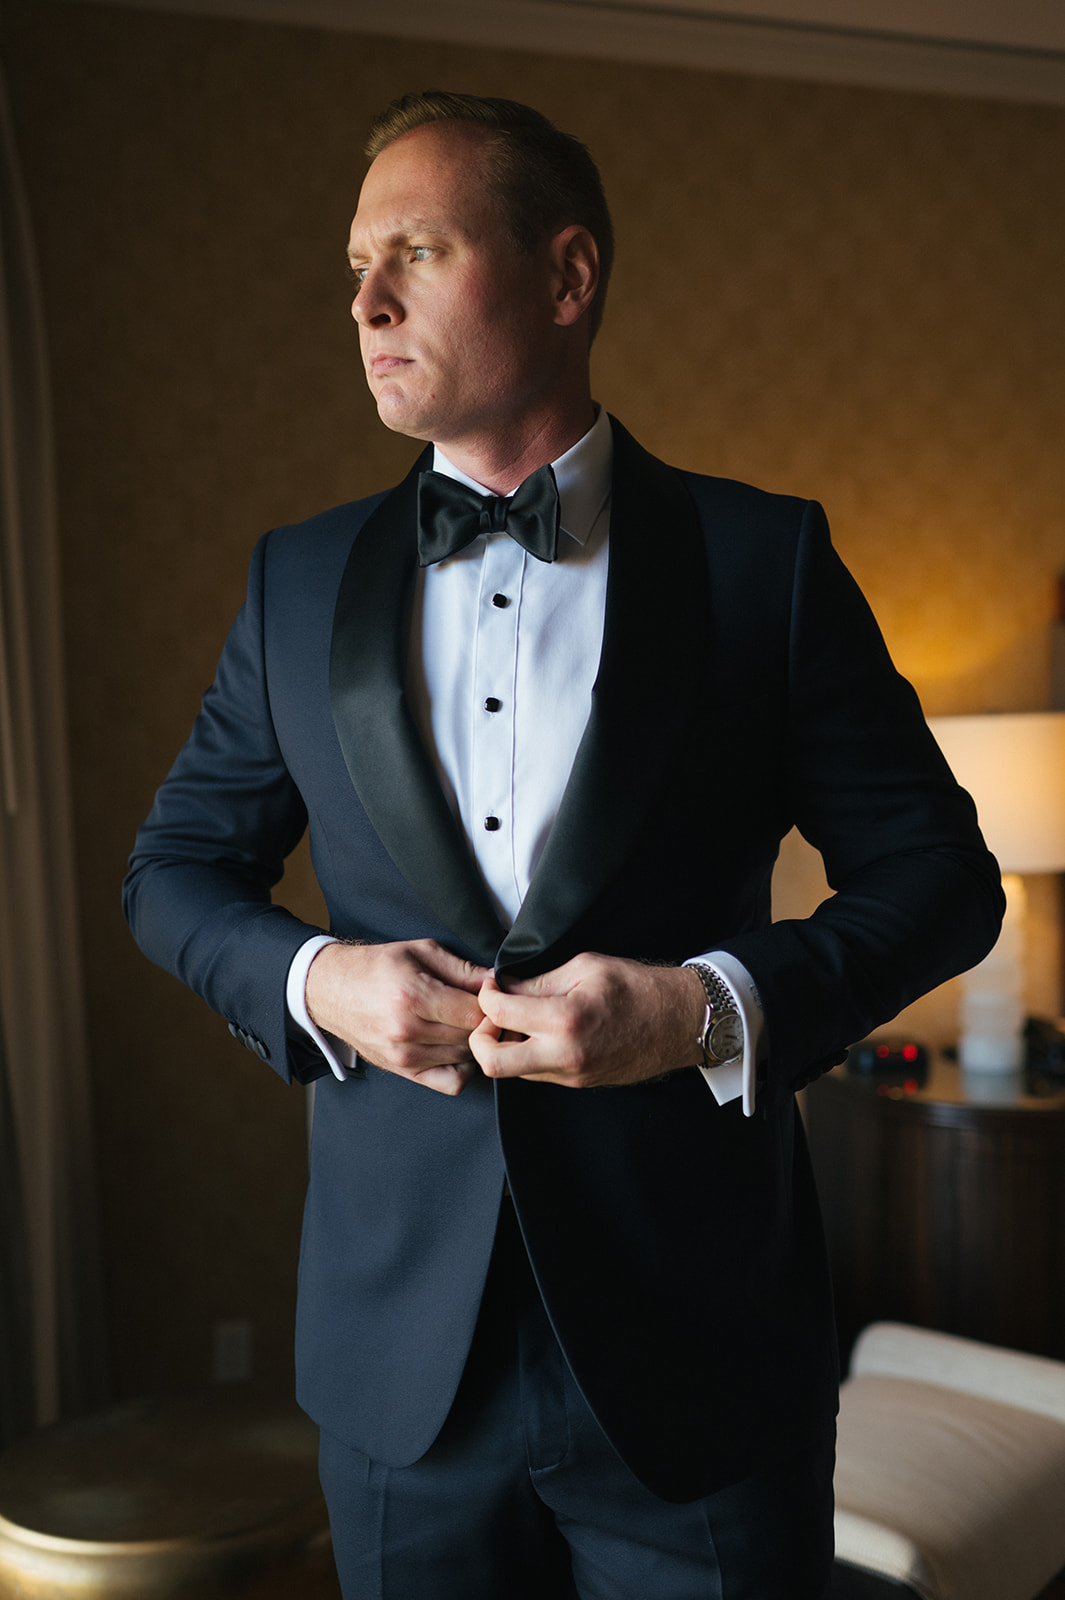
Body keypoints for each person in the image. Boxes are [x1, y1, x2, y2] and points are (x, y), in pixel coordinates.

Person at [124, 91, 1003, 1599]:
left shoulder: (761, 563)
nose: (365, 301)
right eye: (352, 264)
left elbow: (940, 881)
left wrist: (704, 1008)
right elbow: (173, 877)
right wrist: (321, 979)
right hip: (401, 1375)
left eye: (415, 249)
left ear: (565, 275)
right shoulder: (296, 581)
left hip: (699, 1357)